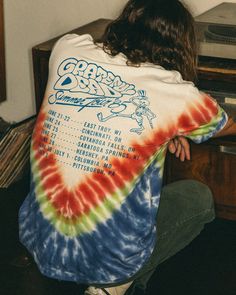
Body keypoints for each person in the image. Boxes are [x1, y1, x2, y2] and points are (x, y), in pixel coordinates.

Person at [19, 0, 236, 294]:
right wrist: (176, 120)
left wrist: (170, 125)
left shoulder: (67, 48)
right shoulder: (176, 94)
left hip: (40, 242)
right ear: (179, 43)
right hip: (108, 261)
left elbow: (115, 94)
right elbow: (228, 125)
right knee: (198, 199)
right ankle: (113, 287)